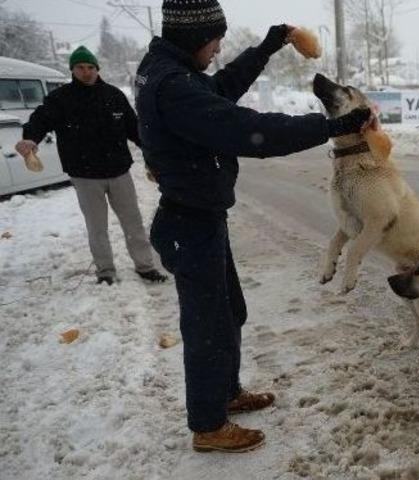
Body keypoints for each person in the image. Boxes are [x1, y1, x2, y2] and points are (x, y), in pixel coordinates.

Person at [136, 0, 371, 453]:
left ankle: (225, 393)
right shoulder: (172, 85)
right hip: (190, 220)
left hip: (198, 215)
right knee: (208, 328)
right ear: (193, 37)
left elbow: (219, 92)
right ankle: (208, 425)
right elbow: (243, 128)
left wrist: (264, 49)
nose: (219, 48)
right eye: (215, 40)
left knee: (228, 315)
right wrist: (328, 127)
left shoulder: (170, 72)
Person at [16, 46, 168, 286]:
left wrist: (154, 154)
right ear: (73, 70)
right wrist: (30, 138)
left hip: (119, 172)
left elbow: (135, 129)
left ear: (97, 69)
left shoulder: (114, 96)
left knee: (133, 222)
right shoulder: (60, 99)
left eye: (90, 68)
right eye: (80, 68)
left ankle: (145, 266)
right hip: (85, 176)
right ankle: (106, 271)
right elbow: (40, 119)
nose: (86, 72)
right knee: (97, 227)